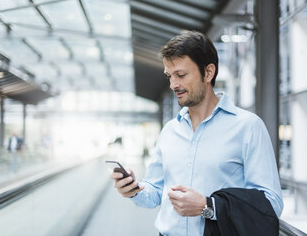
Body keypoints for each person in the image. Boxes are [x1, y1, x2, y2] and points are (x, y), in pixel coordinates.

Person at [110, 31, 283, 236]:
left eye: (181, 75)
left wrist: (207, 206)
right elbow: (156, 192)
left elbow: (271, 204)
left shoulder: (248, 127)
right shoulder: (170, 131)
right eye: (170, 76)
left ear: (208, 73)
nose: (174, 84)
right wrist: (134, 189)